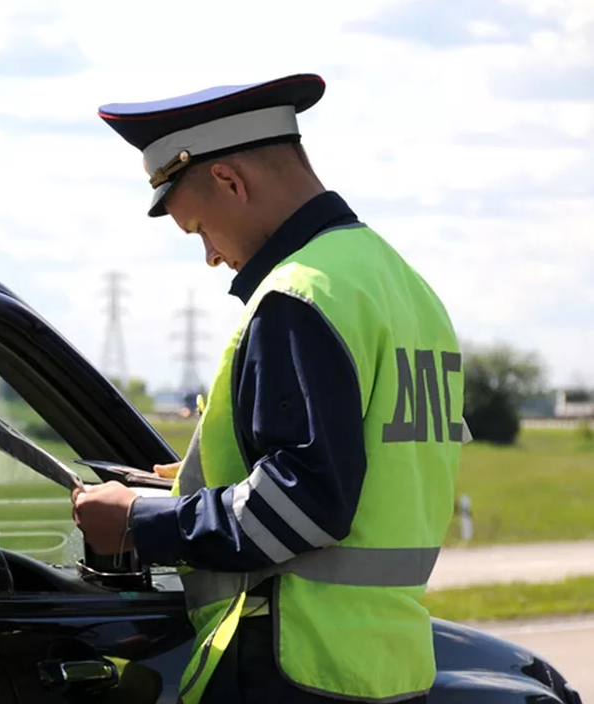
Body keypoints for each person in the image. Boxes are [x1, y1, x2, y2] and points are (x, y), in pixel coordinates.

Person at [71, 73, 470, 704]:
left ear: (230, 180)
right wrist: (201, 482)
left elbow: (301, 503)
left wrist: (138, 522)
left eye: (198, 227)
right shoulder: (401, 286)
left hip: (295, 662)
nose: (209, 256)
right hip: (387, 664)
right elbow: (367, 473)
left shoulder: (299, 294)